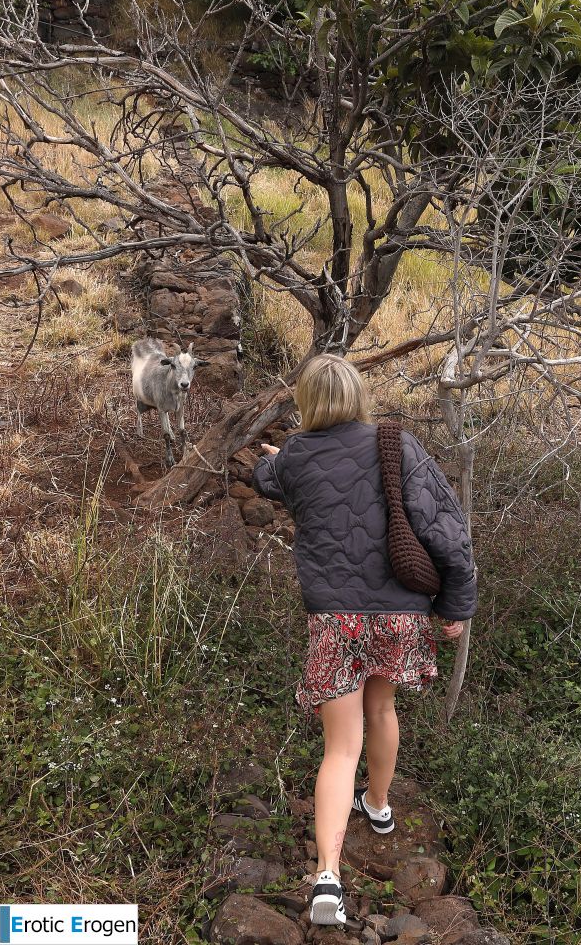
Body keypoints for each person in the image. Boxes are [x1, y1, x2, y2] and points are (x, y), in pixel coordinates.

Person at [252, 353, 477, 926]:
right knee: (383, 709)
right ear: (356, 396)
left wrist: (276, 459)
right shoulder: (397, 446)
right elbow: (445, 529)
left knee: (339, 748)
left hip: (335, 619)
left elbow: (268, 477)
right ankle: (378, 807)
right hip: (400, 612)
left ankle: (327, 877)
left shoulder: (296, 456)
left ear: (307, 401)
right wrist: (455, 604)